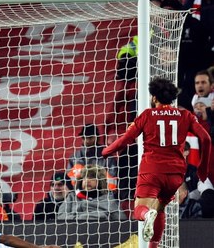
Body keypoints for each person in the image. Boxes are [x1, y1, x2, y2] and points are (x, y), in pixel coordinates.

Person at [102, 77, 212, 246]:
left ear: (154, 97)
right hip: (175, 175)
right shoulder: (185, 115)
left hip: (152, 171)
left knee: (140, 209)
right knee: (160, 209)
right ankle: (154, 245)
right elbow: (206, 138)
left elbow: (125, 140)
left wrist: (107, 151)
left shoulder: (147, 115)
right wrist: (202, 168)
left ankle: (147, 215)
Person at [56, 165, 127, 221]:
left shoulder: (108, 199)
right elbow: (61, 217)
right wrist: (79, 220)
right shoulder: (72, 197)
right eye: (85, 177)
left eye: (92, 177)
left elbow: (121, 220)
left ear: (100, 181)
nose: (87, 180)